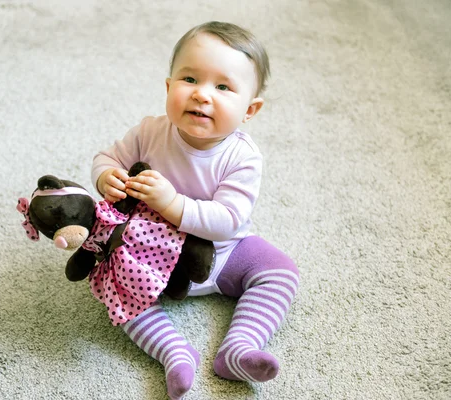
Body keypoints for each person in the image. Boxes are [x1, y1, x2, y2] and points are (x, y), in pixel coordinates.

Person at [91, 21, 299, 400]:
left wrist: (171, 203)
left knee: (281, 271)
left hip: (224, 253)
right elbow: (108, 157)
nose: (202, 94)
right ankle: (173, 351)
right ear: (169, 87)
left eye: (222, 87)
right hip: (149, 257)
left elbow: (227, 221)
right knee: (113, 288)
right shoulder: (149, 132)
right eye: (189, 78)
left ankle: (239, 347)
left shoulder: (242, 156)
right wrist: (107, 176)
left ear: (249, 109)